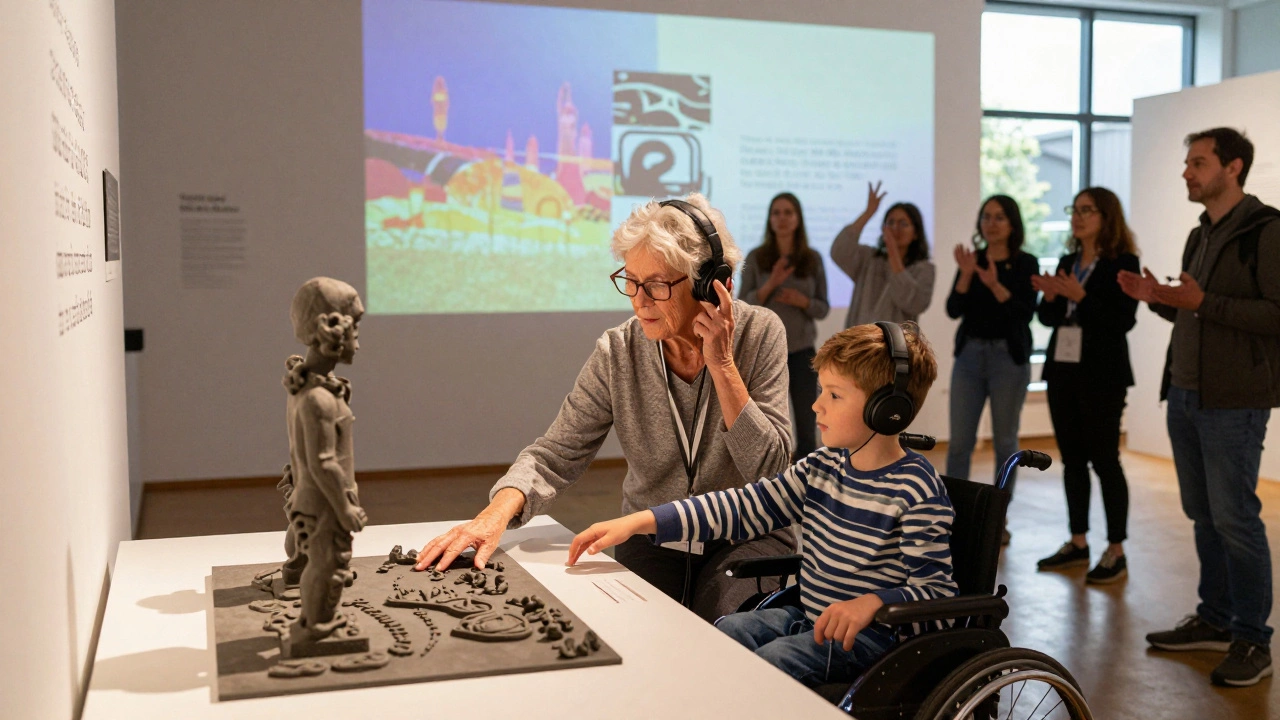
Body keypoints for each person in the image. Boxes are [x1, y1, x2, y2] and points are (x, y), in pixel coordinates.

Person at [412, 193, 796, 622]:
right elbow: (555, 454)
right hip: (652, 533)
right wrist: (492, 516)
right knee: (631, 626)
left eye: (657, 285)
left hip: (744, 534)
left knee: (725, 628)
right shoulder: (618, 350)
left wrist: (722, 364)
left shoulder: (760, 333)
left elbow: (770, 469)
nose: (638, 300)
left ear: (709, 284)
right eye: (630, 280)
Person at [566, 322, 955, 688]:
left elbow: (938, 595)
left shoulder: (915, 489)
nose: (816, 406)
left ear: (887, 410)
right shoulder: (821, 468)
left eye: (834, 395)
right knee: (725, 634)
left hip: (872, 640)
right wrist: (644, 520)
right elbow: (741, 507)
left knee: (770, 662)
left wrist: (873, 603)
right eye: (821, 391)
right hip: (811, 619)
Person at [1119, 128, 1280, 687]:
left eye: (1199, 163)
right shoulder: (1199, 233)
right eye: (1187, 163)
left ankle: (1253, 640)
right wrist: (1158, 298)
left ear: (1233, 168)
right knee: (1204, 514)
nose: (1187, 173)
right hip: (1185, 393)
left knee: (1235, 518)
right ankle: (1215, 617)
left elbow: (1275, 315)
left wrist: (1202, 301)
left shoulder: (1266, 231)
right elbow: (1196, 313)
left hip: (1235, 400)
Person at [1031, 188, 1139, 583]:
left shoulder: (1123, 263)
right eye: (1074, 210)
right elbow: (1048, 318)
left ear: (1107, 217)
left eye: (1086, 210)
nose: (1077, 217)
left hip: (1103, 375)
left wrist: (1082, 296)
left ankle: (1116, 550)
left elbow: (1123, 320)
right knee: (1072, 459)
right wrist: (1051, 297)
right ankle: (1078, 542)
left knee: (1105, 460)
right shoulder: (1068, 262)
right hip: (1063, 373)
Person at [281, 278, 368, 650]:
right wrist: (345, 507)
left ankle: (314, 616)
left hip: (314, 493)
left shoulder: (309, 384)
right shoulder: (318, 397)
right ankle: (316, 628)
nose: (358, 339)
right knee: (329, 564)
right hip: (325, 497)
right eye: (355, 325)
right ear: (331, 329)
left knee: (319, 559)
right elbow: (323, 462)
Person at [945, 195, 1038, 544]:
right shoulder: (973, 260)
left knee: (1005, 442)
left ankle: (998, 520)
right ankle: (955, 519)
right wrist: (968, 275)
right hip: (969, 357)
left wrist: (995, 284)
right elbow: (953, 309)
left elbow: (1025, 313)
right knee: (960, 443)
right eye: (986, 216)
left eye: (999, 217)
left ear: (1012, 224)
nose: (992, 223)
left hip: (1007, 360)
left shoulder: (1026, 263)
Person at [739, 192, 830, 460]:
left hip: (802, 351)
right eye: (776, 213)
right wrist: (771, 283)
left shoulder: (812, 259)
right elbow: (742, 304)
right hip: (764, 353)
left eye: (788, 212)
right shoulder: (757, 257)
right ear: (769, 219)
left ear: (798, 218)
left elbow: (823, 308)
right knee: (763, 424)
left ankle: (806, 476)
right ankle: (767, 475)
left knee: (806, 421)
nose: (782, 218)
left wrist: (804, 301)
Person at [830, 182, 936, 327]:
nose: (895, 228)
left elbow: (915, 304)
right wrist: (867, 214)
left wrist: (893, 255)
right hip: (860, 339)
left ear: (916, 233)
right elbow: (839, 252)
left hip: (896, 341)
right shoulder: (870, 258)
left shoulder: (924, 269)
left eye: (903, 224)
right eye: (890, 222)